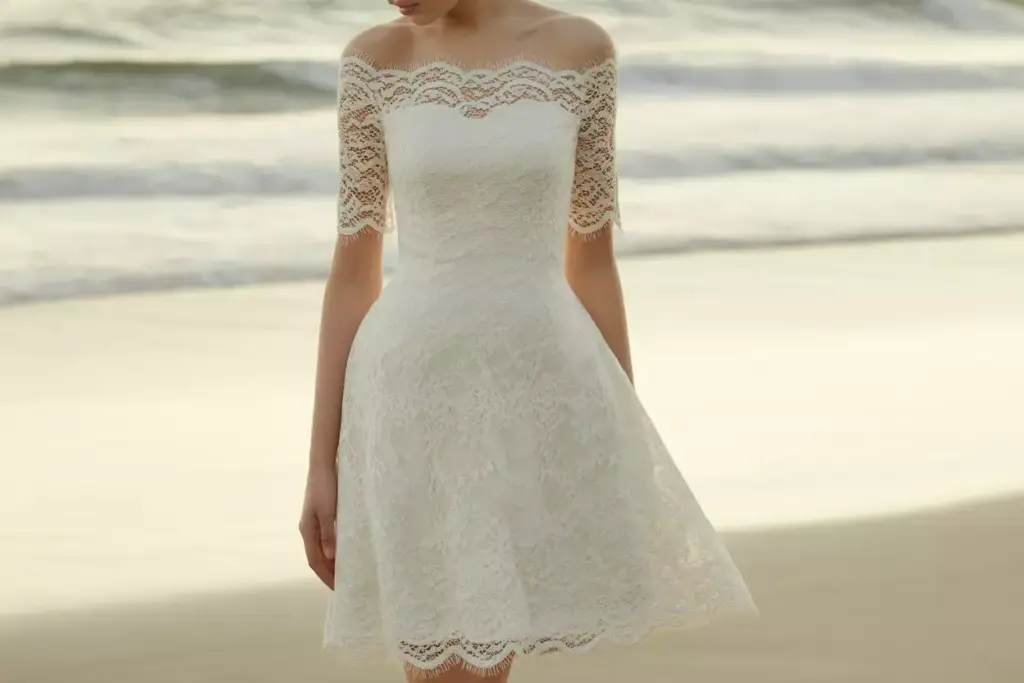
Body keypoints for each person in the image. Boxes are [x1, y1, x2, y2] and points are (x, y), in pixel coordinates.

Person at [299, 0, 757, 680]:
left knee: (483, 661)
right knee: (443, 664)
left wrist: (621, 433)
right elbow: (353, 270)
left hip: (535, 384)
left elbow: (591, 256)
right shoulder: (375, 61)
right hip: (411, 391)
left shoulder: (581, 50)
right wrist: (321, 462)